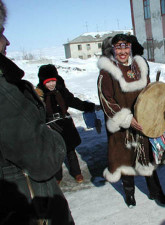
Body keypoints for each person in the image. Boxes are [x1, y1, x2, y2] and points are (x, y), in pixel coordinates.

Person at [0, 1, 74, 224]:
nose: (7, 41)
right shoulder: (5, 92)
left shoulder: (60, 91)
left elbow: (72, 101)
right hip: (32, 210)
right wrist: (52, 136)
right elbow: (42, 158)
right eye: (1, 32)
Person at [97, 34, 165, 208]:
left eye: (125, 47)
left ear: (130, 47)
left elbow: (149, 95)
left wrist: (154, 112)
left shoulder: (139, 67)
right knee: (125, 161)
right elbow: (106, 100)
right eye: (118, 48)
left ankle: (156, 192)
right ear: (113, 50)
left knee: (147, 160)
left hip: (142, 122)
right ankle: (129, 194)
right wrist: (127, 119)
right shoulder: (107, 72)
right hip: (122, 126)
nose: (122, 51)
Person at [36, 64, 96, 184]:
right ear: (43, 82)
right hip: (51, 127)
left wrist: (88, 106)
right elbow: (37, 111)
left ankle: (76, 172)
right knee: (55, 152)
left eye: (53, 80)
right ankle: (57, 176)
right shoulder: (39, 95)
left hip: (65, 124)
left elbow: (73, 101)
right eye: (48, 82)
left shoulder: (61, 91)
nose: (51, 84)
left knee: (70, 150)